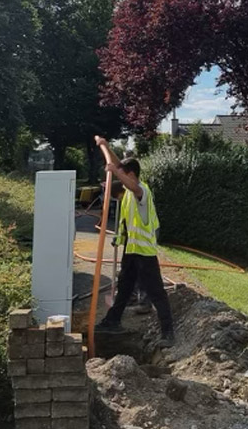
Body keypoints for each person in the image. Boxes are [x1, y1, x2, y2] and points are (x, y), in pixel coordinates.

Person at [93, 135, 175, 347]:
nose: (121, 179)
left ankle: (168, 334)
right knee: (125, 287)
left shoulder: (142, 191)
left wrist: (114, 171)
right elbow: (119, 165)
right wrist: (106, 145)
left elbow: (130, 183)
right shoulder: (129, 192)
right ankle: (112, 321)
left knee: (156, 292)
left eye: (124, 175)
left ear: (132, 175)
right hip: (131, 251)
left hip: (145, 253)